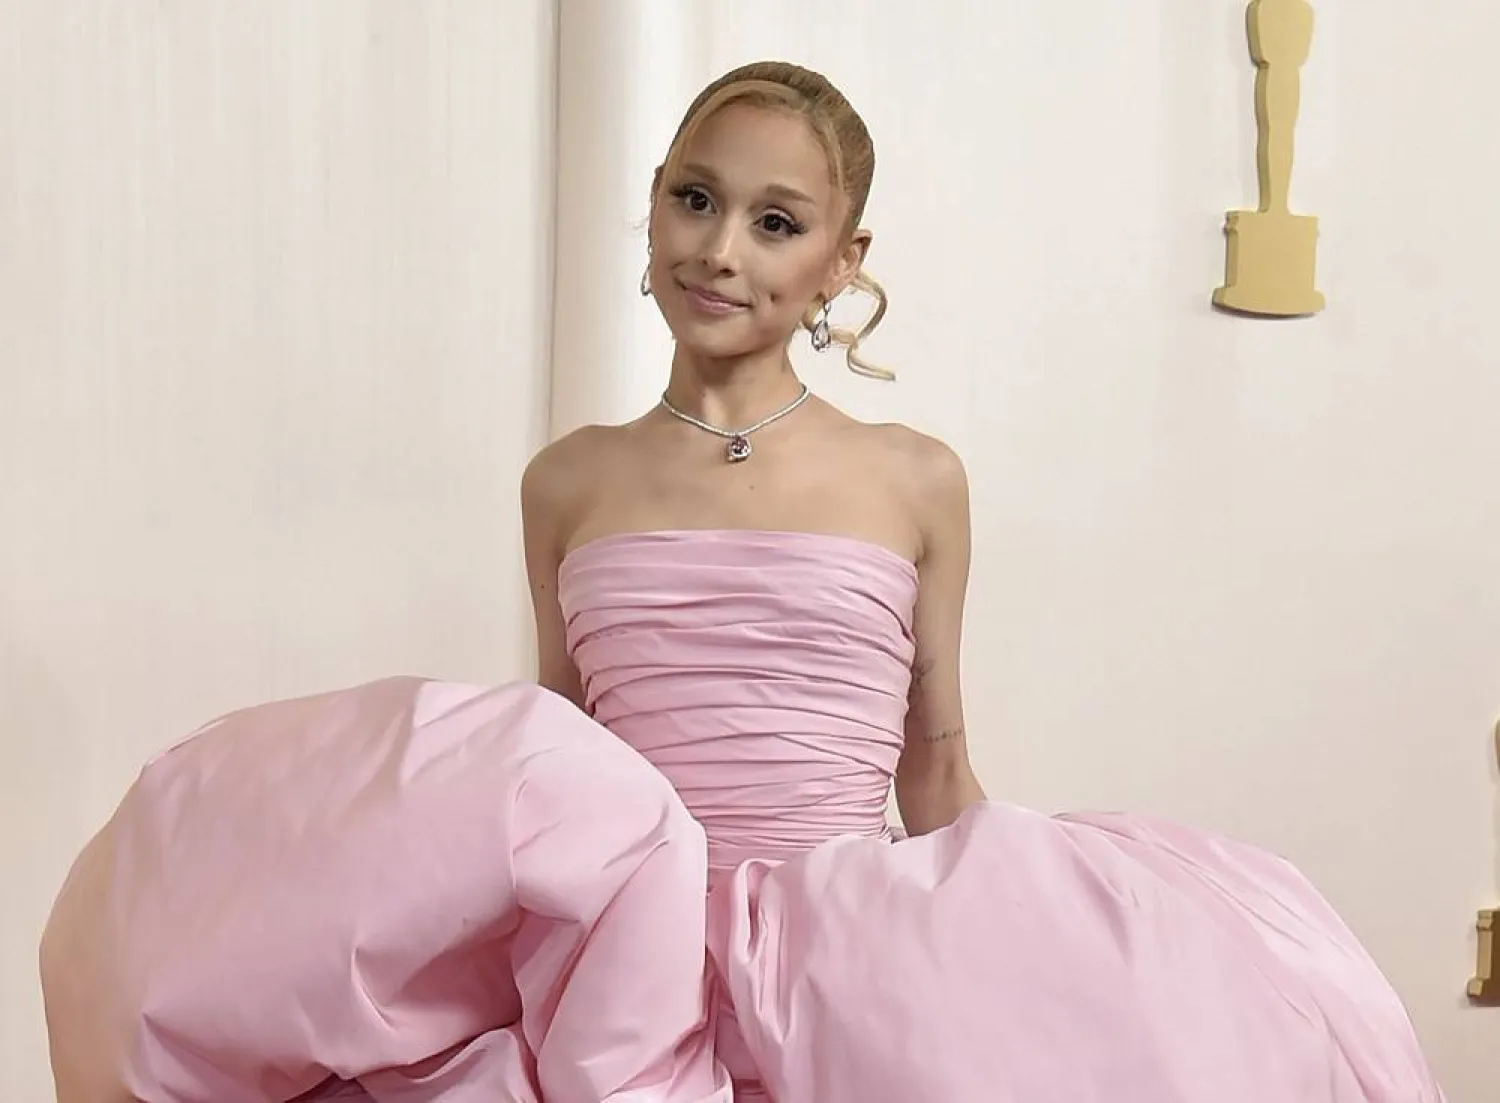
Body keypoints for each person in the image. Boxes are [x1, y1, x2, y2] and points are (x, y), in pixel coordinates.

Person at [40, 61, 1447, 1103]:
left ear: (843, 261)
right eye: (697, 199)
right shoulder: (568, 481)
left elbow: (936, 765)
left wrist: (1004, 955)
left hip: (841, 955)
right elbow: (553, 761)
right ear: (654, 203)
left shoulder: (914, 478)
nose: (720, 249)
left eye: (778, 223)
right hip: (619, 969)